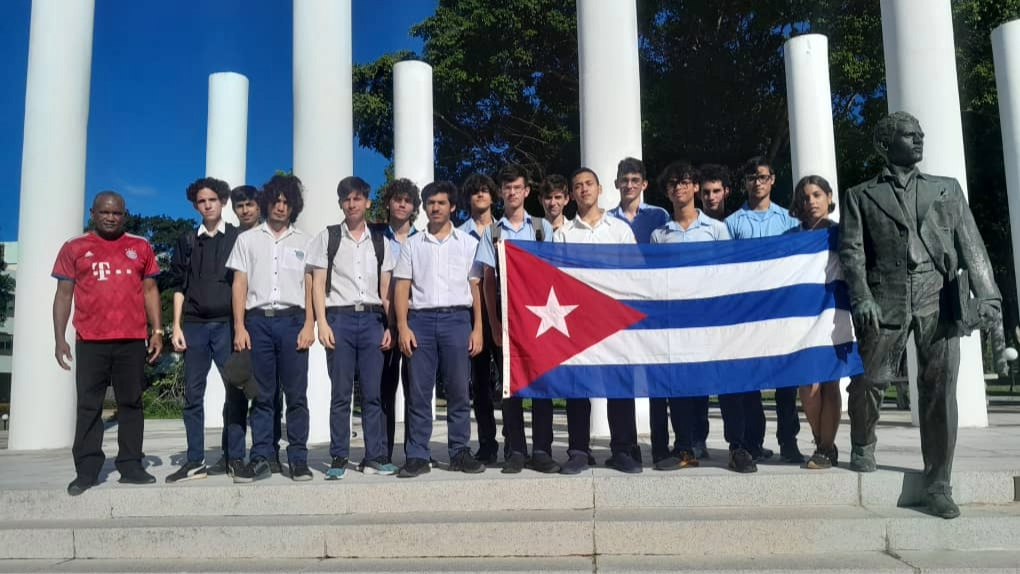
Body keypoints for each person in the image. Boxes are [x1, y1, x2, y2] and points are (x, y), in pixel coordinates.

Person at [840, 111, 1002, 518]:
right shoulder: (861, 195)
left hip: (938, 296)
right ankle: (863, 441)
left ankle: (938, 483)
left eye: (920, 135)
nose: (918, 140)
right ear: (885, 142)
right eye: (909, 135)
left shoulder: (947, 189)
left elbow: (973, 246)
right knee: (870, 381)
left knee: (939, 390)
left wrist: (990, 297)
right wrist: (860, 296)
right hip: (885, 296)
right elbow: (853, 253)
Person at [52, 191, 163, 496]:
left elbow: (151, 290)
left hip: (131, 340)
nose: (111, 217)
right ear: (93, 213)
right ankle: (87, 471)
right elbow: (63, 295)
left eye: (116, 213)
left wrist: (157, 331)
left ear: (124, 215)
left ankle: (131, 466)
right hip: (91, 340)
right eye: (105, 212)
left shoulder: (139, 246)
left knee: (131, 404)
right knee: (89, 406)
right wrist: (59, 338)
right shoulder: (74, 248)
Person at [226, 174, 316, 482]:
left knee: (296, 394)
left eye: (286, 202)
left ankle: (299, 459)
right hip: (258, 322)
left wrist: (309, 324)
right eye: (276, 201)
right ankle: (262, 456)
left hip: (293, 322)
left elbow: (310, 286)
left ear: (294, 206)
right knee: (262, 395)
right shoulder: (247, 240)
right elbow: (239, 284)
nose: (280, 207)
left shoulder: (306, 242)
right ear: (267, 203)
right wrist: (239, 326)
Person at [393, 181, 485, 478]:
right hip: (420, 321)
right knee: (419, 394)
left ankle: (459, 451)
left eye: (441, 203)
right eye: (431, 203)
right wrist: (403, 327)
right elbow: (402, 287)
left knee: (459, 391)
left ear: (452, 207)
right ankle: (418, 454)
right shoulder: (412, 245)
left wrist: (478, 328)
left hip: (457, 321)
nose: (435, 208)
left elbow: (477, 290)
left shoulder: (469, 244)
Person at [471, 164, 558, 474]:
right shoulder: (492, 232)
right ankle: (516, 450)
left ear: (526, 191)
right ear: (502, 193)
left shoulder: (541, 228)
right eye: (506, 188)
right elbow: (486, 278)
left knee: (541, 383)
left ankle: (543, 449)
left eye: (516, 187)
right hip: (506, 316)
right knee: (510, 386)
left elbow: (554, 271)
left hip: (539, 316)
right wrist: (493, 322)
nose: (511, 193)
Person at [308, 176, 397, 480]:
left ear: (367, 202)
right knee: (341, 394)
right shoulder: (328, 238)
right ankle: (339, 457)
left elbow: (387, 290)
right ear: (340, 204)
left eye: (357, 198)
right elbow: (317, 285)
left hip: (373, 320)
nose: (352, 204)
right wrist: (321, 323)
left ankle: (375, 456)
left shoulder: (380, 241)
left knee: (373, 394)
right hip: (340, 319)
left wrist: (392, 327)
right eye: (346, 199)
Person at [555, 167, 642, 474]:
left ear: (600, 188)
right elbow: (555, 279)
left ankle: (623, 449)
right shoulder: (563, 233)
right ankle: (579, 450)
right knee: (577, 387)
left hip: (615, 319)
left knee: (620, 386)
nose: (583, 189)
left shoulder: (619, 230)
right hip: (577, 321)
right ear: (572, 193)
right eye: (577, 185)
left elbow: (635, 274)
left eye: (588, 184)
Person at [647, 161, 730, 471]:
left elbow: (729, 272)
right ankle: (685, 444)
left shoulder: (717, 230)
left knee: (702, 383)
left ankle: (699, 439)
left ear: (696, 186)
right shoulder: (659, 234)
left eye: (684, 182)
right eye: (672, 184)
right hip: (674, 318)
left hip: (708, 316)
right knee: (679, 383)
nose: (678, 187)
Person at [166, 178, 250, 484]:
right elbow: (178, 287)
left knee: (237, 391)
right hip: (194, 327)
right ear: (195, 205)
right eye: (202, 201)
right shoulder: (187, 241)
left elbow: (244, 284)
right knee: (193, 395)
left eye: (213, 199)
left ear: (223, 201)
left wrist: (242, 327)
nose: (208, 205)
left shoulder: (238, 238)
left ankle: (236, 458)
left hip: (228, 326)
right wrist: (176, 326)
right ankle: (194, 461)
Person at [725, 157, 804, 464]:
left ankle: (789, 441)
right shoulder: (732, 223)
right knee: (750, 384)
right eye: (751, 177)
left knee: (787, 384)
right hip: (747, 313)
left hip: (781, 310)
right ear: (744, 183)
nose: (756, 182)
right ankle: (752, 442)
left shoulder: (789, 221)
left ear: (772, 180)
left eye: (761, 177)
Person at [788, 175, 841, 470]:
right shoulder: (791, 238)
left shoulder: (842, 233)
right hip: (802, 319)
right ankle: (824, 442)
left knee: (830, 382)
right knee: (808, 386)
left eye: (817, 195)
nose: (811, 202)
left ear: (829, 197)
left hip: (834, 314)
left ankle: (823, 448)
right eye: (805, 197)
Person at [375, 178, 421, 461]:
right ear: (389, 203)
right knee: (383, 390)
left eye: (407, 200)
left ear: (414, 206)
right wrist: (391, 323)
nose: (402, 204)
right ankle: (382, 454)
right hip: (382, 324)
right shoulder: (374, 238)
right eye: (397, 199)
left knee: (415, 390)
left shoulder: (422, 239)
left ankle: (415, 453)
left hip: (416, 320)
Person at [457, 173, 501, 464]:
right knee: (480, 382)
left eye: (484, 191)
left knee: (511, 380)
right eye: (474, 192)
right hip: (473, 311)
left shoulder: (506, 229)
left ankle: (516, 445)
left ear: (492, 196)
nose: (480, 196)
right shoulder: (459, 234)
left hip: (505, 308)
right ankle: (487, 443)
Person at [607, 157, 670, 244]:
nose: (629, 186)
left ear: (644, 185)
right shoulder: (607, 219)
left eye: (635, 180)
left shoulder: (659, 215)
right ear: (616, 184)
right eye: (624, 180)